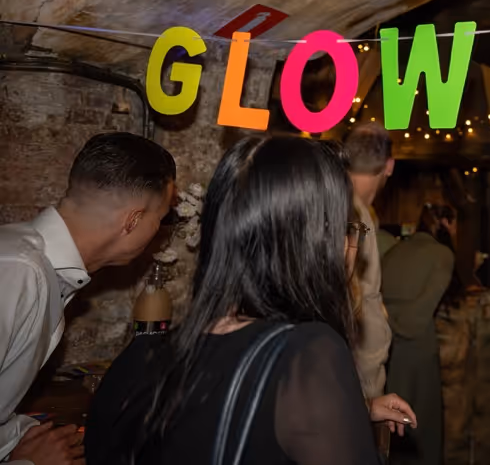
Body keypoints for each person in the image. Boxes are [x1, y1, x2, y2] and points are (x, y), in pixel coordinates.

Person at [85, 136, 416, 465]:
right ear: (315, 242)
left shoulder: (138, 358)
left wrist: (351, 410)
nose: (349, 244)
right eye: (345, 227)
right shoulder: (308, 357)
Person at [1, 132, 174, 465]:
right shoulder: (18, 274)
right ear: (133, 220)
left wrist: (23, 436)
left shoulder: (40, 268)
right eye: (161, 218)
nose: (159, 231)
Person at [382, 205, 457, 465]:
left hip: (389, 352)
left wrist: (390, 320)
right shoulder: (443, 255)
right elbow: (421, 313)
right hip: (421, 352)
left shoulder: (394, 252)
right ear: (446, 223)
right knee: (425, 433)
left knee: (393, 433)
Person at [344, 123, 395, 402]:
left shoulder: (323, 198)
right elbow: (365, 305)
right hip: (352, 385)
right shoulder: (357, 217)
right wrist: (372, 394)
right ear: (389, 166)